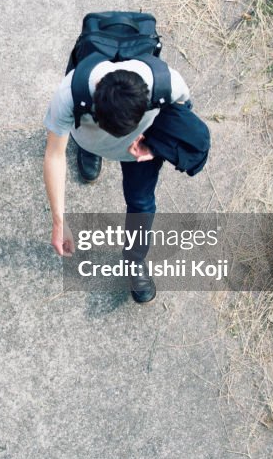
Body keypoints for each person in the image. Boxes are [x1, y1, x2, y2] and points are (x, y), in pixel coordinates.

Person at [42, 60, 191, 303]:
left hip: (141, 152)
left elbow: (183, 114)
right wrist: (59, 222)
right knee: (86, 139)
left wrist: (155, 148)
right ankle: (89, 148)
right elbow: (54, 155)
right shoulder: (70, 93)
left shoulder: (167, 84)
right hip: (89, 138)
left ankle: (135, 259)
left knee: (142, 203)